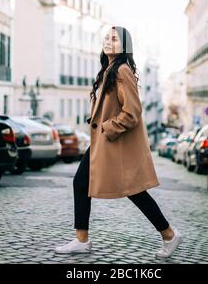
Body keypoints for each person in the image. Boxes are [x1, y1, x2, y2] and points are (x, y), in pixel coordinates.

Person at [54, 26, 182, 259]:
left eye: (114, 38)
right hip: (104, 143)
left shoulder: (122, 70)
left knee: (135, 192)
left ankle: (169, 234)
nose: (108, 41)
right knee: (81, 183)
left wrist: (107, 127)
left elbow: (133, 112)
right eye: (106, 37)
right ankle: (82, 239)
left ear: (125, 46)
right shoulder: (109, 69)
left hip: (113, 143)